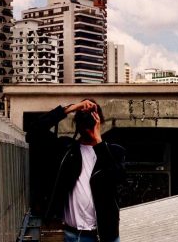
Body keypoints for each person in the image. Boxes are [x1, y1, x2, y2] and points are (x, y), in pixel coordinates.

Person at [26, 99, 125, 242]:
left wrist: (98, 141)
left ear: (100, 121)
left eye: (92, 117)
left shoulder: (113, 152)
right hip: (74, 235)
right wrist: (70, 108)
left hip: (106, 235)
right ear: (77, 124)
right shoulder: (66, 149)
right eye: (83, 118)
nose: (87, 124)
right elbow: (33, 133)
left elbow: (118, 178)